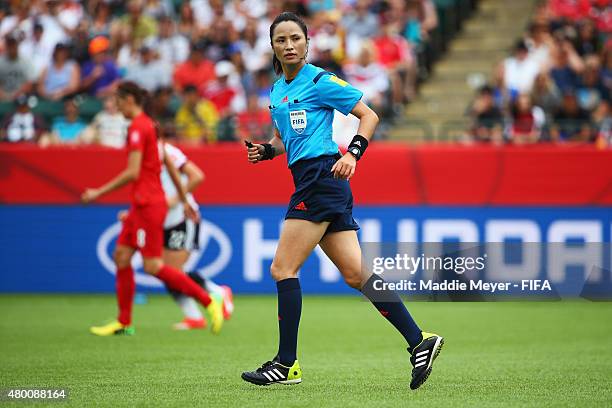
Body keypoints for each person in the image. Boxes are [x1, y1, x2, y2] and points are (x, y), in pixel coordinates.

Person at [240, 12, 443, 390]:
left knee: (283, 269)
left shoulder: (319, 80)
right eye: (281, 40)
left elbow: (369, 115)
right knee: (356, 274)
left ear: (307, 43)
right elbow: (285, 140)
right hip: (316, 181)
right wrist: (267, 151)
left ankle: (286, 364)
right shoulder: (277, 91)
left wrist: (353, 153)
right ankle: (420, 341)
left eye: (295, 39)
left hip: (321, 178)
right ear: (272, 46)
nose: (289, 45)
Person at [81, 81, 223, 336]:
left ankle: (209, 301)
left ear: (129, 100)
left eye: (117, 101)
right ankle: (124, 322)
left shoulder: (138, 128)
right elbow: (167, 164)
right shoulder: (150, 126)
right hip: (141, 205)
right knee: (122, 257)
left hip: (149, 206)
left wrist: (98, 192)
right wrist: (184, 199)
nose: (115, 106)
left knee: (153, 266)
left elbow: (134, 172)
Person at [153, 142, 234, 329]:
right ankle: (195, 315)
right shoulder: (141, 155)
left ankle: (215, 294)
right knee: (166, 271)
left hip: (182, 217)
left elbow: (196, 176)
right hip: (161, 219)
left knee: (172, 272)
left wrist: (176, 199)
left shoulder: (166, 151)